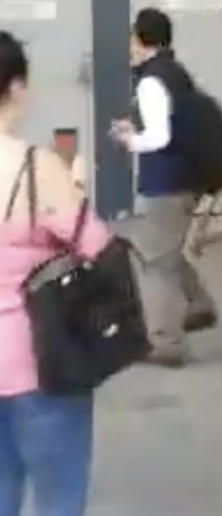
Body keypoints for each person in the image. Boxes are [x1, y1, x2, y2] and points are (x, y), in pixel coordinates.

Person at [0, 31, 111, 516]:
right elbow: (97, 248)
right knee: (58, 500)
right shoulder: (35, 169)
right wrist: (78, 187)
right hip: (38, 361)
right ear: (17, 88)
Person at [110, 8, 218, 368]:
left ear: (143, 40)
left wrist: (130, 140)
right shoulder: (175, 73)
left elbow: (159, 136)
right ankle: (199, 305)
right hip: (187, 179)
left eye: (131, 38)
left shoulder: (151, 81)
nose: (128, 45)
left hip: (166, 182)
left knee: (156, 264)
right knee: (165, 252)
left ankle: (165, 342)